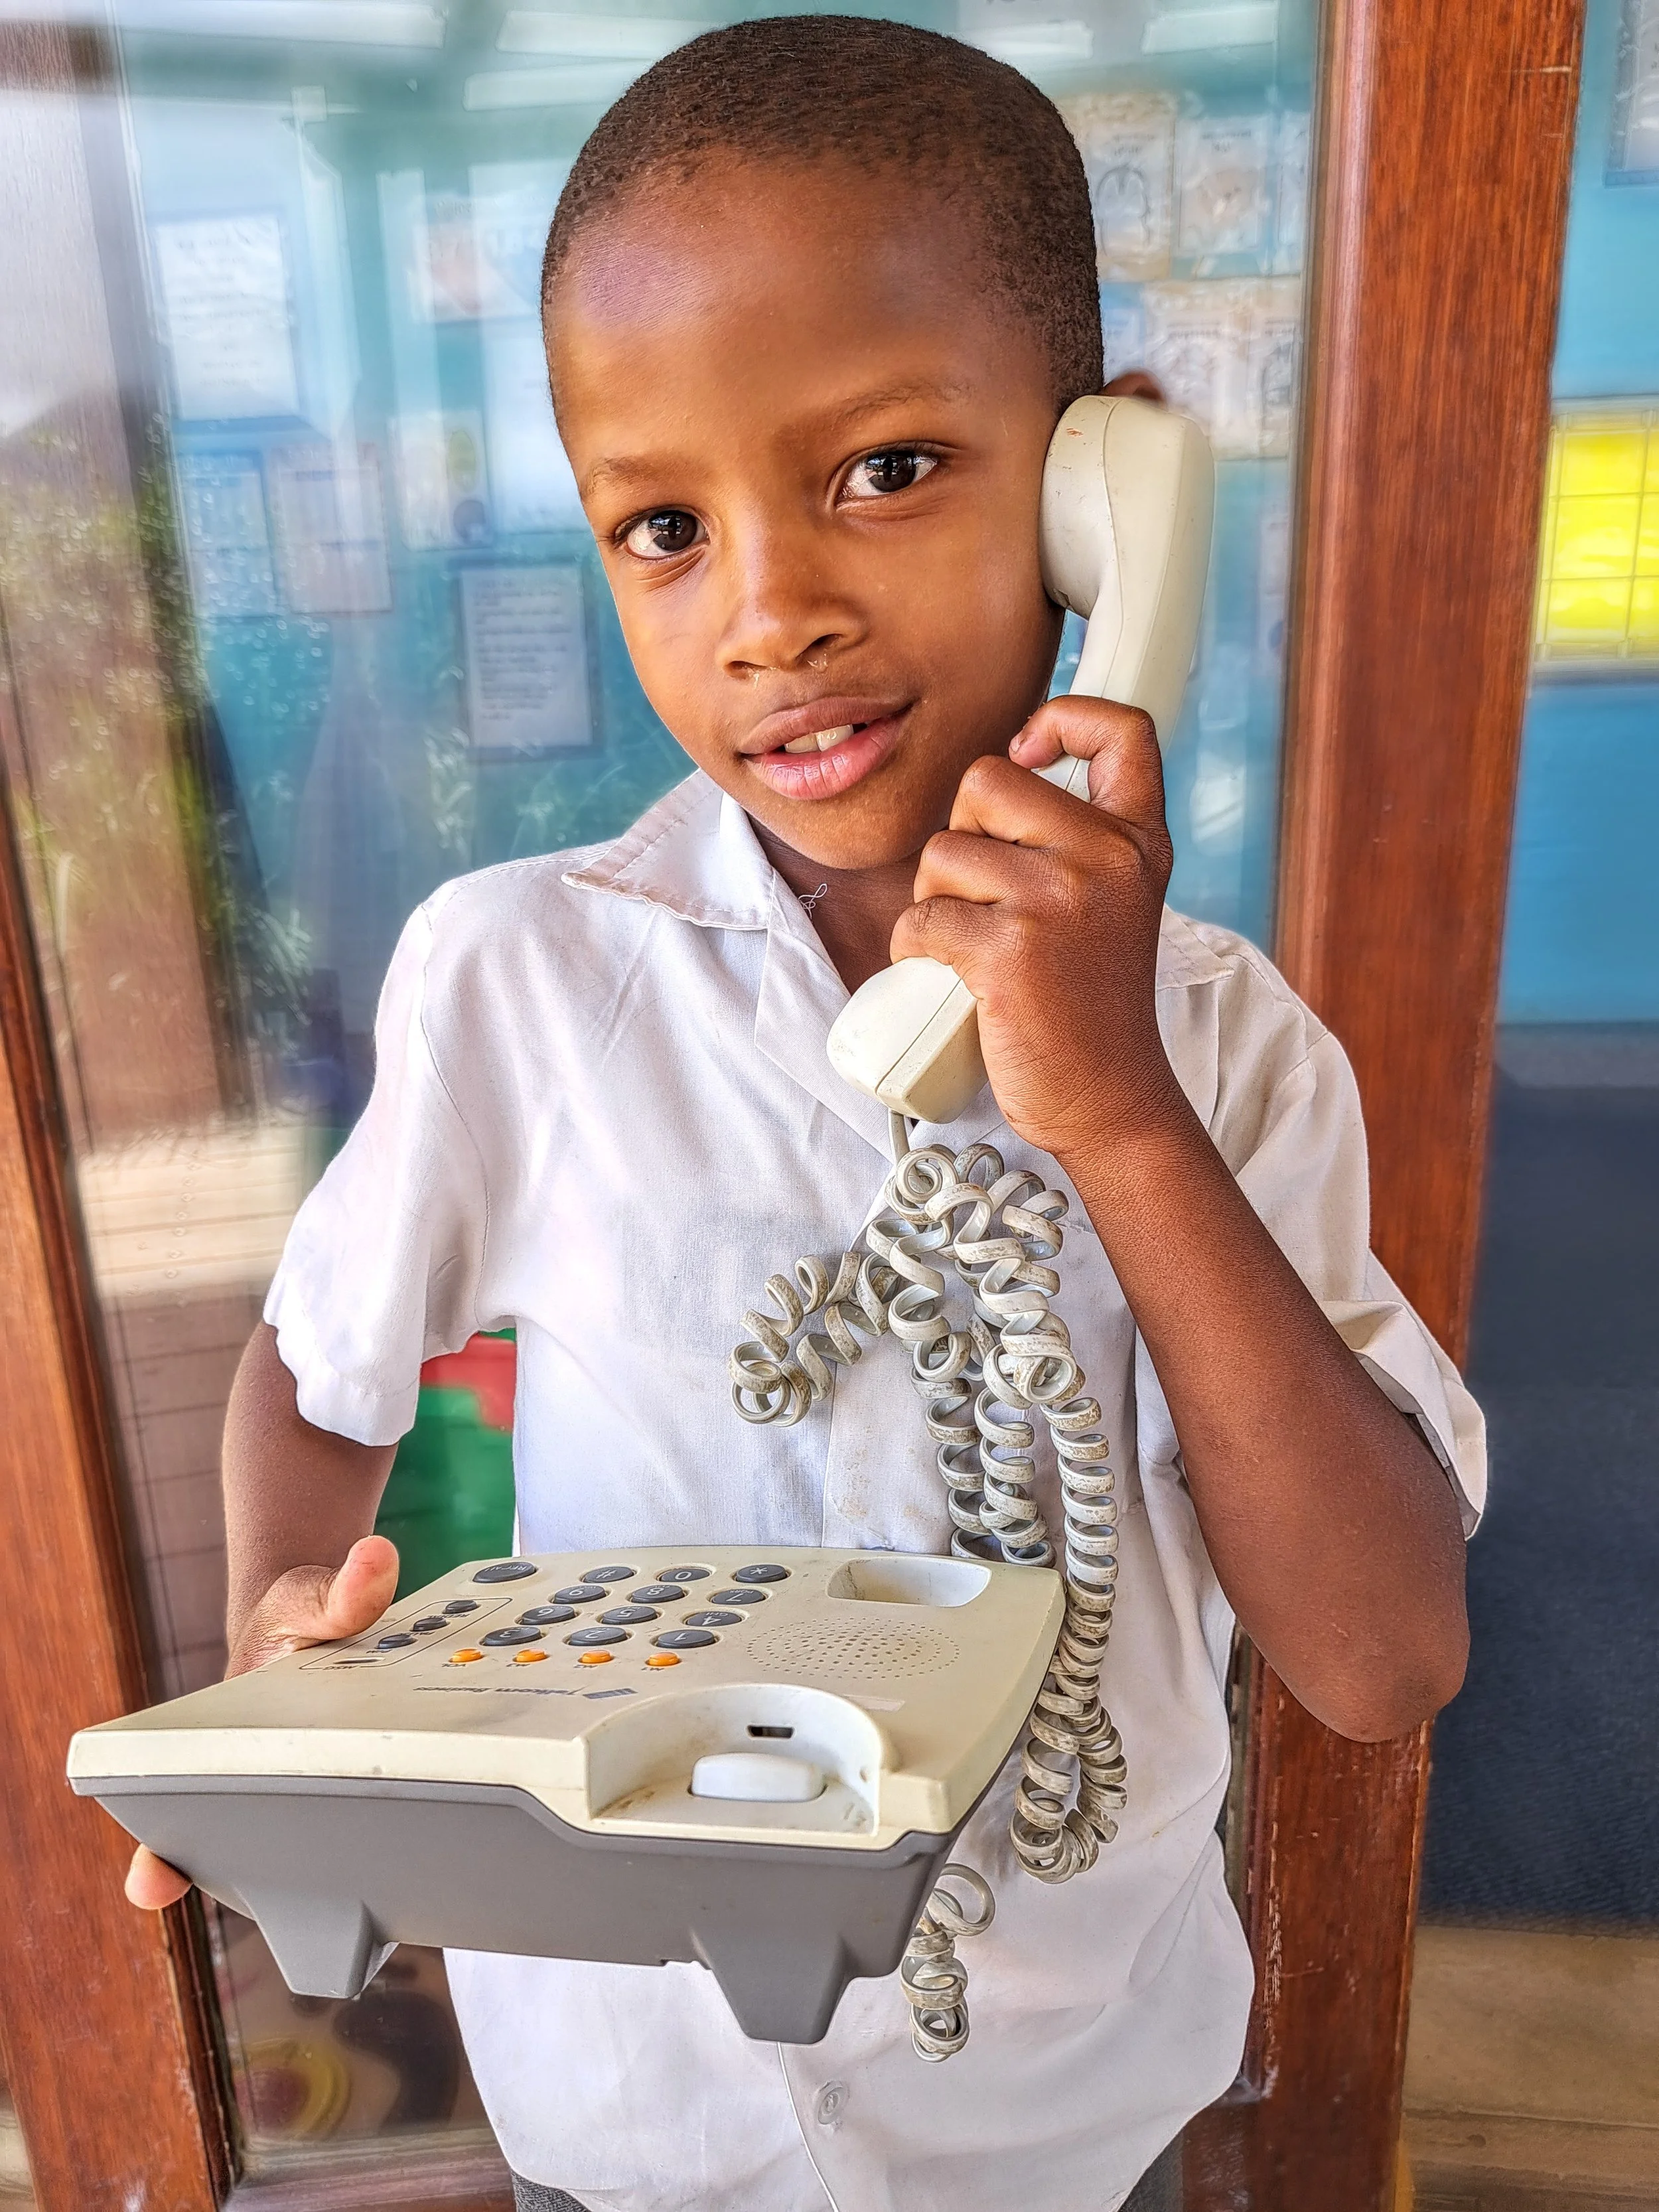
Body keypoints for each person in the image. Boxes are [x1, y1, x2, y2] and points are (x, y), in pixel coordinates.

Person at [125, 19, 1482, 2211]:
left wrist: (1114, 1108)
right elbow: (312, 1369)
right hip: (630, 2113)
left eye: (880, 471)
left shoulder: (1226, 1048)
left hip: (1069, 2128)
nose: (771, 612)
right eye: (663, 526)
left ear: (1093, 490)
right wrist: (292, 1612)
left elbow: (1379, 1652)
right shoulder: (521, 977)